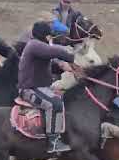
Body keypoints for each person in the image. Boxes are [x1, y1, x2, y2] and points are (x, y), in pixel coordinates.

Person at [18, 22, 78, 153]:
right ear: (45, 36)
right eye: (50, 36)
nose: (51, 39)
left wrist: (66, 67)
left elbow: (51, 60)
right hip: (30, 89)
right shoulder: (35, 45)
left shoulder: (37, 47)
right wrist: (74, 57)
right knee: (54, 103)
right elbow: (54, 51)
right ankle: (53, 141)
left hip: (41, 87)